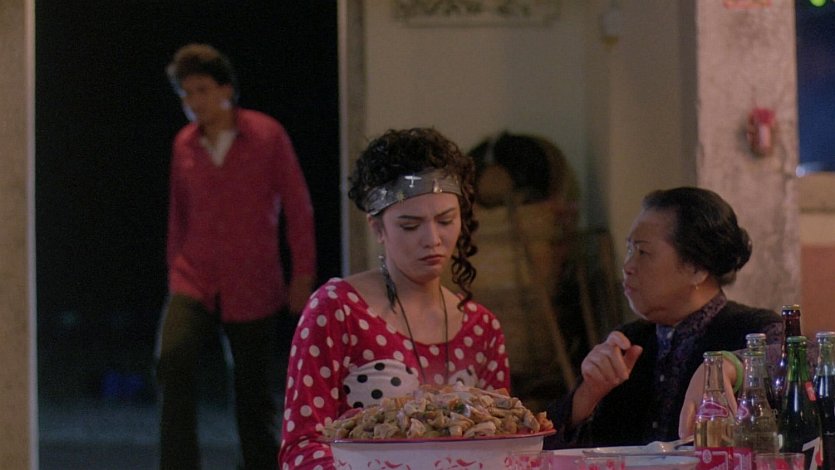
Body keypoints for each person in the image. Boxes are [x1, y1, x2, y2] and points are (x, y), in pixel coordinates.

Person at [278, 128, 511, 469]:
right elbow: (301, 446)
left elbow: (504, 442)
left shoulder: (482, 327)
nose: (432, 239)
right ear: (377, 228)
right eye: (410, 225)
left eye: (445, 220)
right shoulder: (338, 309)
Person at [157, 43, 316, 470]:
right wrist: (175, 270)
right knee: (172, 360)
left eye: (202, 90)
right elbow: (178, 214)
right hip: (194, 276)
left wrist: (302, 275)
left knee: (252, 391)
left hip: (252, 280)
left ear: (225, 89)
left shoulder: (266, 134)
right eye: (186, 94)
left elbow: (298, 207)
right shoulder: (184, 143)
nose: (194, 102)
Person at [543, 186, 782, 449]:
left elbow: (793, 361)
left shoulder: (753, 329)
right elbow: (544, 444)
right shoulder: (628, 342)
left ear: (696, 268)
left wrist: (730, 365)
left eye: (643, 252)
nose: (628, 266)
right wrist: (588, 394)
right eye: (630, 250)